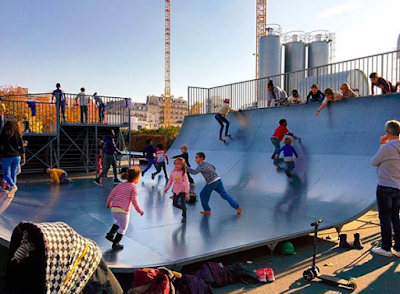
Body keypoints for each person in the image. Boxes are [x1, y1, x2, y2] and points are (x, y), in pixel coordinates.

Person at [370, 120, 400, 257]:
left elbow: (374, 162)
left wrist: (382, 144)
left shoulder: (388, 147)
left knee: (385, 217)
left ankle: (386, 248)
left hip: (385, 186)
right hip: (398, 187)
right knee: (396, 217)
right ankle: (398, 248)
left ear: (387, 133)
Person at [105, 166, 144, 250]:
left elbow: (111, 194)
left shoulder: (120, 185)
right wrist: (139, 210)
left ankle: (110, 234)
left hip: (114, 209)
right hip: (123, 211)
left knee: (119, 221)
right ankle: (116, 244)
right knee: (123, 227)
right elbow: (134, 201)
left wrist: (108, 204)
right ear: (136, 178)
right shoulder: (133, 187)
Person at [0, 121, 26, 198]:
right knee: (13, 174)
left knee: (6, 174)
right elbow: (22, 147)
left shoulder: (3, 135)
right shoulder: (18, 135)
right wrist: (23, 157)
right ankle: (12, 189)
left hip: (7, 156)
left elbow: (0, 146)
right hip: (17, 156)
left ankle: (12, 186)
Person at [164, 157, 190, 222]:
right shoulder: (172, 173)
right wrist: (167, 188)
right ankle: (184, 209)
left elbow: (187, 183)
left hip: (183, 191)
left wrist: (187, 193)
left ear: (182, 166)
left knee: (183, 203)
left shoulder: (183, 174)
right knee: (175, 204)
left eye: (178, 164)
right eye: (175, 164)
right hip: (176, 191)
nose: (176, 165)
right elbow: (170, 181)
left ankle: (184, 216)